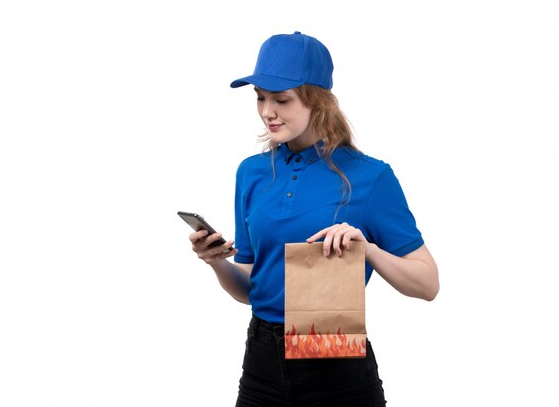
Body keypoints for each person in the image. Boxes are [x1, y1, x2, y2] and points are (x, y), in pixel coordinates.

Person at [188, 31, 439, 407]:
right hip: (261, 364)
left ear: (318, 101)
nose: (267, 112)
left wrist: (367, 249)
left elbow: (428, 284)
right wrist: (217, 262)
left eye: (282, 99)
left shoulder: (371, 177)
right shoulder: (252, 173)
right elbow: (251, 289)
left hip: (335, 364)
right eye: (260, 98)